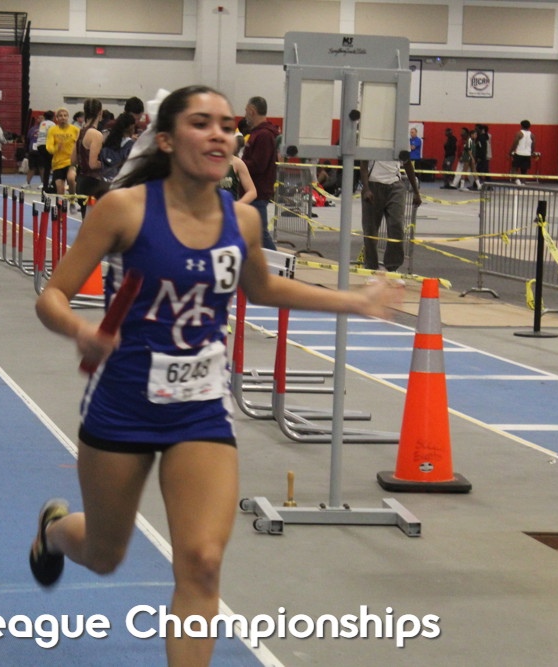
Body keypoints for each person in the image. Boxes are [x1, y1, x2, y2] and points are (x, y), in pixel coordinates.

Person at [30, 85, 402, 667]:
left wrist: (353, 301)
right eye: (201, 123)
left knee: (202, 564)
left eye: (227, 126)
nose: (219, 135)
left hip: (200, 409)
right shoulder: (124, 209)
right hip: (123, 405)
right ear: (166, 139)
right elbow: (52, 294)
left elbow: (264, 288)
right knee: (104, 555)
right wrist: (81, 330)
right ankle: (54, 531)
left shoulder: (243, 220)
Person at [358, 151, 421, 272]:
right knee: (370, 230)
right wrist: (366, 188)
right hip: (373, 185)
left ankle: (392, 267)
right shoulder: (373, 141)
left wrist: (416, 192)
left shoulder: (402, 141)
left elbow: (407, 164)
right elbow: (363, 163)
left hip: (395, 186)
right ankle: (371, 268)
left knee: (396, 225)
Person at [240, 95, 278, 250]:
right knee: (253, 233)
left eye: (245, 111)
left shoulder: (264, 135)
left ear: (251, 110)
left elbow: (258, 165)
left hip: (257, 192)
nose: (245, 115)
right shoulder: (258, 134)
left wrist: (238, 164)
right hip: (253, 191)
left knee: (260, 235)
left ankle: (278, 263)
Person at [72, 98, 109, 218]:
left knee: (86, 220)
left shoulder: (80, 132)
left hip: (81, 182)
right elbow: (93, 164)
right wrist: (109, 163)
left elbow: (73, 160)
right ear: (100, 112)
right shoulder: (96, 135)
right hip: (93, 184)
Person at [46, 107, 79, 205]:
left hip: (71, 161)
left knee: (71, 179)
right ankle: (60, 209)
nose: (63, 117)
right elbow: (49, 147)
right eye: (60, 116)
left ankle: (72, 198)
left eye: (65, 115)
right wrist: (56, 148)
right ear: (57, 118)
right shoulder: (52, 130)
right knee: (60, 189)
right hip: (58, 163)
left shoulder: (75, 130)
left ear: (68, 117)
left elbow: (80, 144)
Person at [99, 111, 136, 184]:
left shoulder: (109, 142)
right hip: (122, 182)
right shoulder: (131, 145)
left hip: (105, 181)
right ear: (131, 127)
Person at [509, 120, 535, 185]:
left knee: (514, 169)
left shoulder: (519, 133)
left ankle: (517, 180)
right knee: (524, 170)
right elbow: (533, 146)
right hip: (527, 154)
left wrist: (510, 152)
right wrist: (531, 153)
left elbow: (515, 143)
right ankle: (523, 183)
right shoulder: (532, 135)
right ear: (529, 126)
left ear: (521, 126)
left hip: (519, 153)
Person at [474, 124, 490, 188]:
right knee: (485, 171)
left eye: (476, 129)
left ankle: (476, 185)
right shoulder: (484, 137)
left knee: (478, 171)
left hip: (482, 157)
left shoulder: (481, 138)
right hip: (483, 157)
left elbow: (481, 148)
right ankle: (489, 186)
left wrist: (479, 157)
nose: (475, 130)